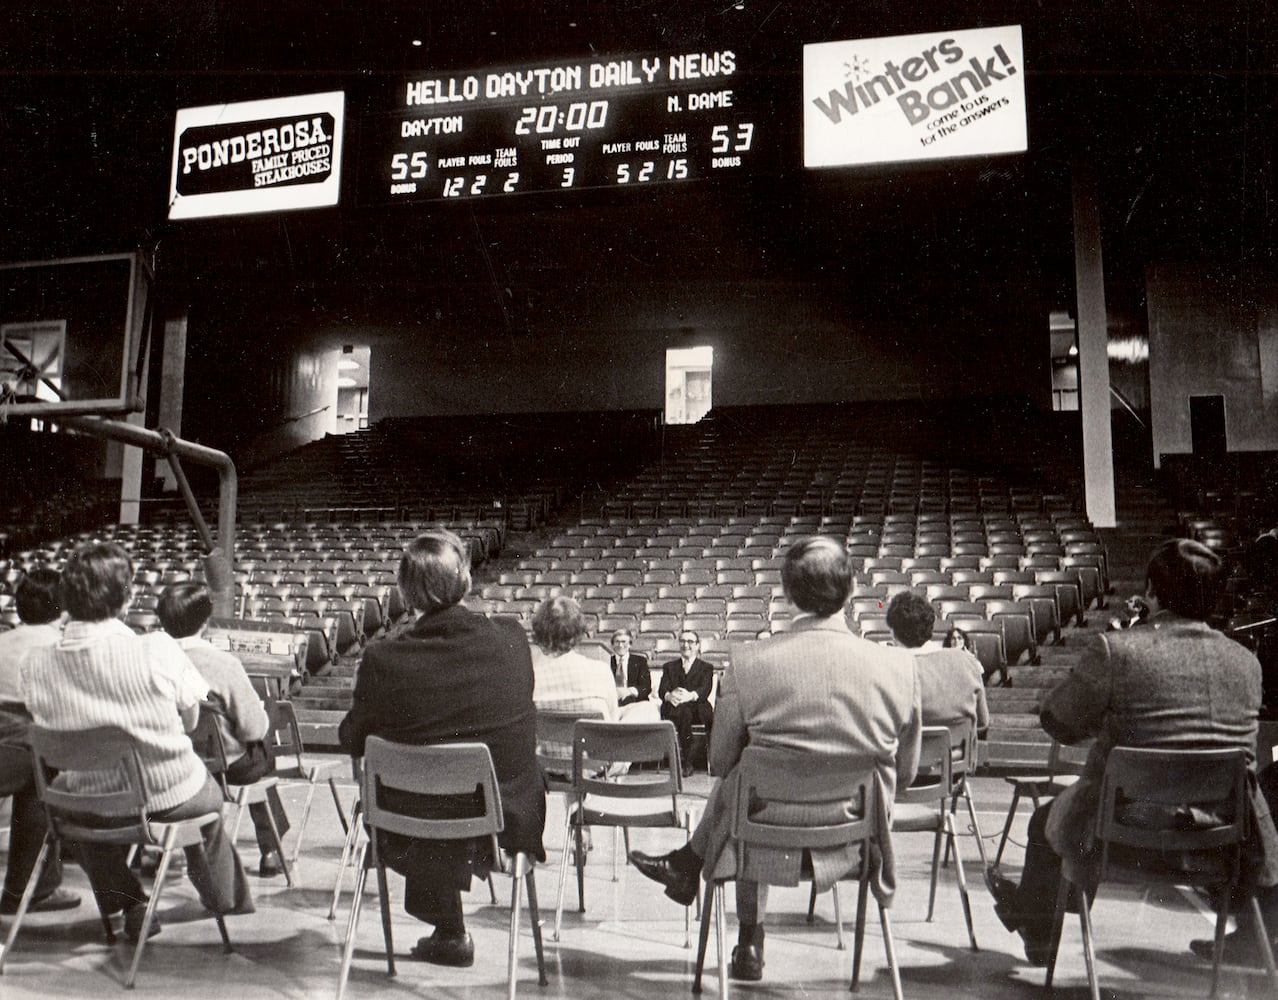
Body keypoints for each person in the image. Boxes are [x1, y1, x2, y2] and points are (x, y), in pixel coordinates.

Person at [629, 537, 922, 982]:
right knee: (748, 792)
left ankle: (746, 934)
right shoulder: (899, 668)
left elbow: (720, 763)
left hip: (758, 843)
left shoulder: (748, 664)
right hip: (855, 844)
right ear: (852, 592)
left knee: (746, 791)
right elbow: (905, 774)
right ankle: (701, 882)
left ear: (786, 594)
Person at [985, 539, 1278, 966]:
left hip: (1122, 834)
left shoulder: (1117, 650)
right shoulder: (1246, 662)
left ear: (1153, 594)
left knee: (1044, 822)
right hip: (1223, 837)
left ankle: (1039, 933)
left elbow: (1057, 721)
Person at [20, 542, 253, 941]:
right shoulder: (156, 647)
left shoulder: (33, 663)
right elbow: (191, 717)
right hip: (166, 792)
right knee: (211, 803)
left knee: (83, 809)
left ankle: (130, 903)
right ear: (126, 598)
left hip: (81, 800)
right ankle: (225, 899)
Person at [338, 528, 545, 968]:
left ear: (405, 591)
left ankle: (449, 929)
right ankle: (448, 931)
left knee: (430, 791)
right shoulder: (511, 639)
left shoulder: (381, 659)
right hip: (499, 820)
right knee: (454, 786)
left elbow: (352, 739)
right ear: (466, 580)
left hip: (405, 822)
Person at [156, 580, 291, 878]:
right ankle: (270, 850)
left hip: (170, 763)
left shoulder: (152, 660)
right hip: (225, 768)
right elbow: (252, 729)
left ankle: (151, 851)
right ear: (206, 622)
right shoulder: (223, 664)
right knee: (263, 745)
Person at [0, 567, 79, 915]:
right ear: (63, 607)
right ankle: (30, 889)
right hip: (28, 756)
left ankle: (36, 884)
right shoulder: (59, 649)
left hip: (10, 753)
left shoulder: (2, 641)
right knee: (41, 770)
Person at [530, 595, 618, 763]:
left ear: (539, 632)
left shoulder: (530, 677)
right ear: (577, 632)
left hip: (546, 769)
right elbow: (612, 725)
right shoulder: (600, 671)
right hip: (594, 769)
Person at [885, 590, 989, 733]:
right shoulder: (968, 662)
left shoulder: (887, 669)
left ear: (893, 632)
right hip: (958, 753)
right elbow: (983, 722)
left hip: (904, 753)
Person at [657, 630, 715, 777]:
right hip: (675, 707)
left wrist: (690, 696)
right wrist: (669, 696)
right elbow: (662, 690)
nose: (686, 645)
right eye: (682, 641)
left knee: (686, 713)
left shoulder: (706, 667)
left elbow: (705, 689)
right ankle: (687, 762)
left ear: (697, 645)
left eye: (690, 642)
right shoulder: (669, 667)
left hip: (698, 707)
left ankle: (689, 761)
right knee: (683, 713)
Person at [609, 627, 655, 718]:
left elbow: (646, 688)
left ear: (630, 644)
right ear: (612, 645)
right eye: (617, 642)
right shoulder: (606, 662)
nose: (620, 645)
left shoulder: (640, 661)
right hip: (613, 703)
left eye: (624, 642)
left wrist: (628, 691)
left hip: (635, 703)